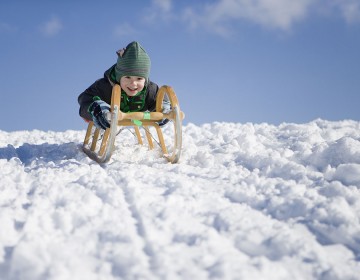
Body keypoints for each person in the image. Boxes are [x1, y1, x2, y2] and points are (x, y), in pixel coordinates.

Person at [78, 41, 169, 130]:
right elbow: (85, 100)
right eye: (128, 77)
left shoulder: (150, 89)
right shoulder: (104, 86)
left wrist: (164, 109)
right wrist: (95, 108)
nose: (133, 83)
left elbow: (161, 99)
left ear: (145, 79)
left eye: (139, 79)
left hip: (136, 119)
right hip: (109, 115)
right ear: (119, 77)